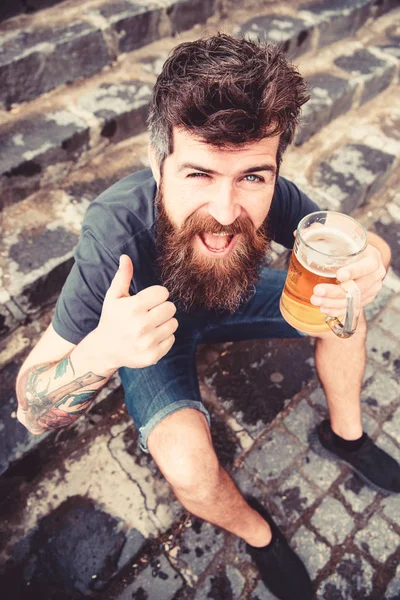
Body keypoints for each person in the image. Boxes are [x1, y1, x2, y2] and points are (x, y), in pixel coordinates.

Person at [16, 34, 399, 600]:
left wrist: (368, 266)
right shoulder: (113, 231)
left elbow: (361, 243)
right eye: (198, 174)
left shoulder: (271, 190)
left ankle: (346, 436)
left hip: (238, 295)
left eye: (251, 177)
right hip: (149, 331)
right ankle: (259, 533)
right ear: (157, 163)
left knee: (344, 315)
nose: (225, 213)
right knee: (189, 467)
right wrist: (101, 352)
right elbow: (29, 408)